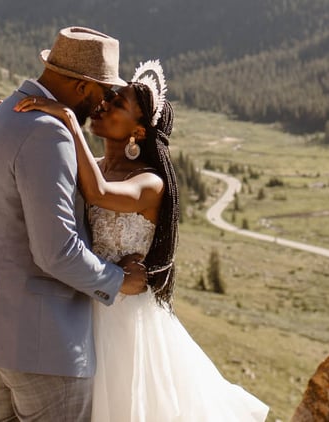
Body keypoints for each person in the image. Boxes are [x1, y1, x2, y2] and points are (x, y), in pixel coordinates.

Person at [14, 60, 269, 421]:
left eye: (117, 104)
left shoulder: (150, 183)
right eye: (110, 97)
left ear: (138, 132)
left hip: (123, 314)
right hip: (86, 300)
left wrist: (70, 120)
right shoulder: (96, 164)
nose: (104, 104)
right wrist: (14, 125)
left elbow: (99, 193)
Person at [0, 27, 149, 422]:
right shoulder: (47, 134)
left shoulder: (8, 112)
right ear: (83, 87)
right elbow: (57, 252)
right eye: (104, 93)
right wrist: (119, 280)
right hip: (41, 339)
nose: (103, 104)